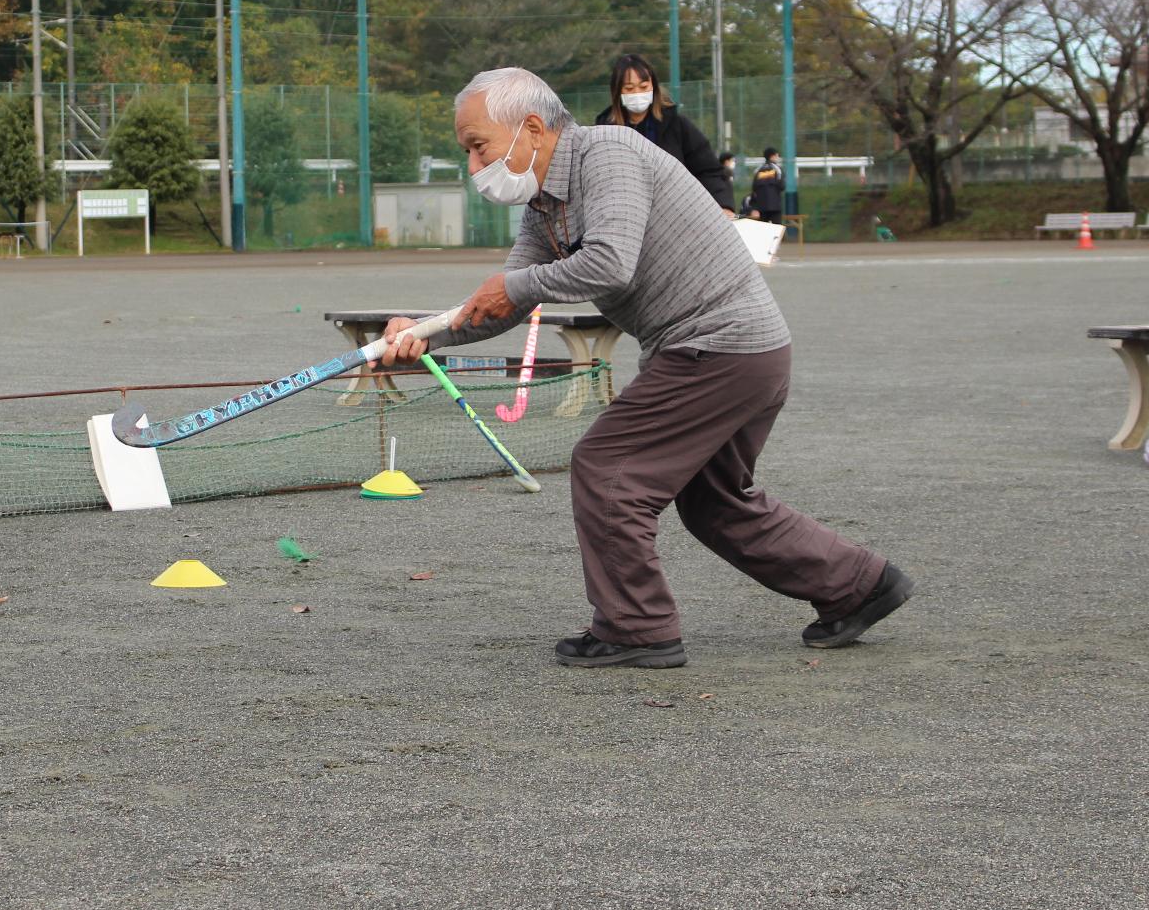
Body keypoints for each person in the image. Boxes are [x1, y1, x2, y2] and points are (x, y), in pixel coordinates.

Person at [381, 66, 912, 669]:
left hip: (720, 347)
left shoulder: (607, 152)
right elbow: (509, 301)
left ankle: (637, 628)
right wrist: (424, 333)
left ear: (530, 127)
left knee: (610, 468)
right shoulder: (544, 204)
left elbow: (609, 264)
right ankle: (860, 586)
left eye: (478, 147)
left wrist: (513, 284)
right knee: (715, 502)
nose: (475, 167)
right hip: (736, 353)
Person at [591, 54, 733, 212]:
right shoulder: (604, 132)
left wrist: (723, 205)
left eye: (644, 86)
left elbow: (708, 170)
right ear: (618, 92)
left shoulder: (677, 125)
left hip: (675, 214)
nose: (637, 93)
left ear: (653, 86)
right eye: (629, 88)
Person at [749, 148, 786, 224]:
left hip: (762, 207)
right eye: (777, 155)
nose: (778, 157)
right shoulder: (777, 169)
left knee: (764, 230)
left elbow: (754, 188)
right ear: (772, 156)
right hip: (775, 206)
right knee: (777, 229)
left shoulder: (758, 170)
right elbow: (782, 186)